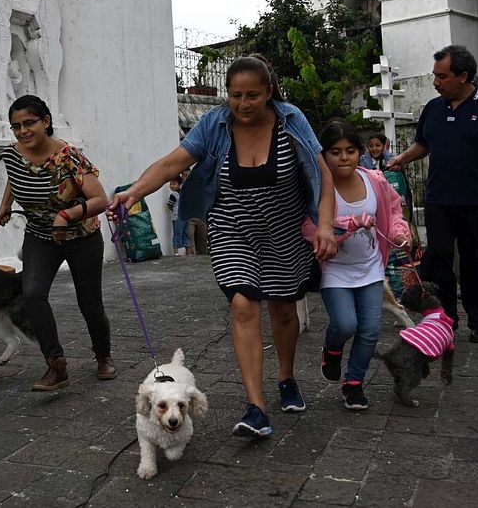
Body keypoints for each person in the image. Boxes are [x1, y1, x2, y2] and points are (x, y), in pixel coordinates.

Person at [109, 55, 338, 438]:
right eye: (235, 96)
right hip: (232, 230)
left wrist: (326, 226)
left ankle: (286, 377)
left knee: (283, 312)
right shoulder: (214, 124)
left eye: (252, 95)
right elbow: (171, 164)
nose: (243, 104)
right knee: (244, 304)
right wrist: (132, 192)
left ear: (269, 93)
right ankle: (256, 407)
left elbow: (322, 174)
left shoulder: (291, 120)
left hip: (283, 231)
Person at [387, 45, 478, 343]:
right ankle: (443, 318)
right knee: (437, 260)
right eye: (434, 76)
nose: (436, 82)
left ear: (463, 76)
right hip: (440, 200)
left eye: (442, 76)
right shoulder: (433, 108)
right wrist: (403, 159)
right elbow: (424, 143)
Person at [0, 95, 113, 391]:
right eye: (16, 126)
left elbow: (100, 199)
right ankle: (56, 366)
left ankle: (103, 357)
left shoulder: (68, 156)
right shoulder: (13, 154)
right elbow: (16, 176)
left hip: (81, 237)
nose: (22, 131)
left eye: (29, 123)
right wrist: (5, 205)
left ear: (45, 122)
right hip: (39, 236)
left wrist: (67, 214)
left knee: (90, 304)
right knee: (32, 295)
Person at [313, 120, 410, 410]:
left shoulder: (375, 180)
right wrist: (348, 225)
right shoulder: (317, 187)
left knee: (369, 330)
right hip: (335, 269)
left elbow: (393, 210)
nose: (344, 157)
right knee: (345, 324)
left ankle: (353, 383)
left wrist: (399, 232)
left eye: (351, 150)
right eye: (335, 152)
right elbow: (310, 226)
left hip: (370, 266)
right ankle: (332, 349)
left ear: (360, 152)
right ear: (324, 155)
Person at [167, 173, 190, 255]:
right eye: (170, 184)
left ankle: (182, 252)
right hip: (181, 217)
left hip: (181, 217)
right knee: (182, 234)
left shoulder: (177, 194)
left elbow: (170, 206)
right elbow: (170, 205)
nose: (172, 186)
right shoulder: (178, 194)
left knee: (181, 233)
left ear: (179, 184)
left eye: (174, 184)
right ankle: (182, 252)